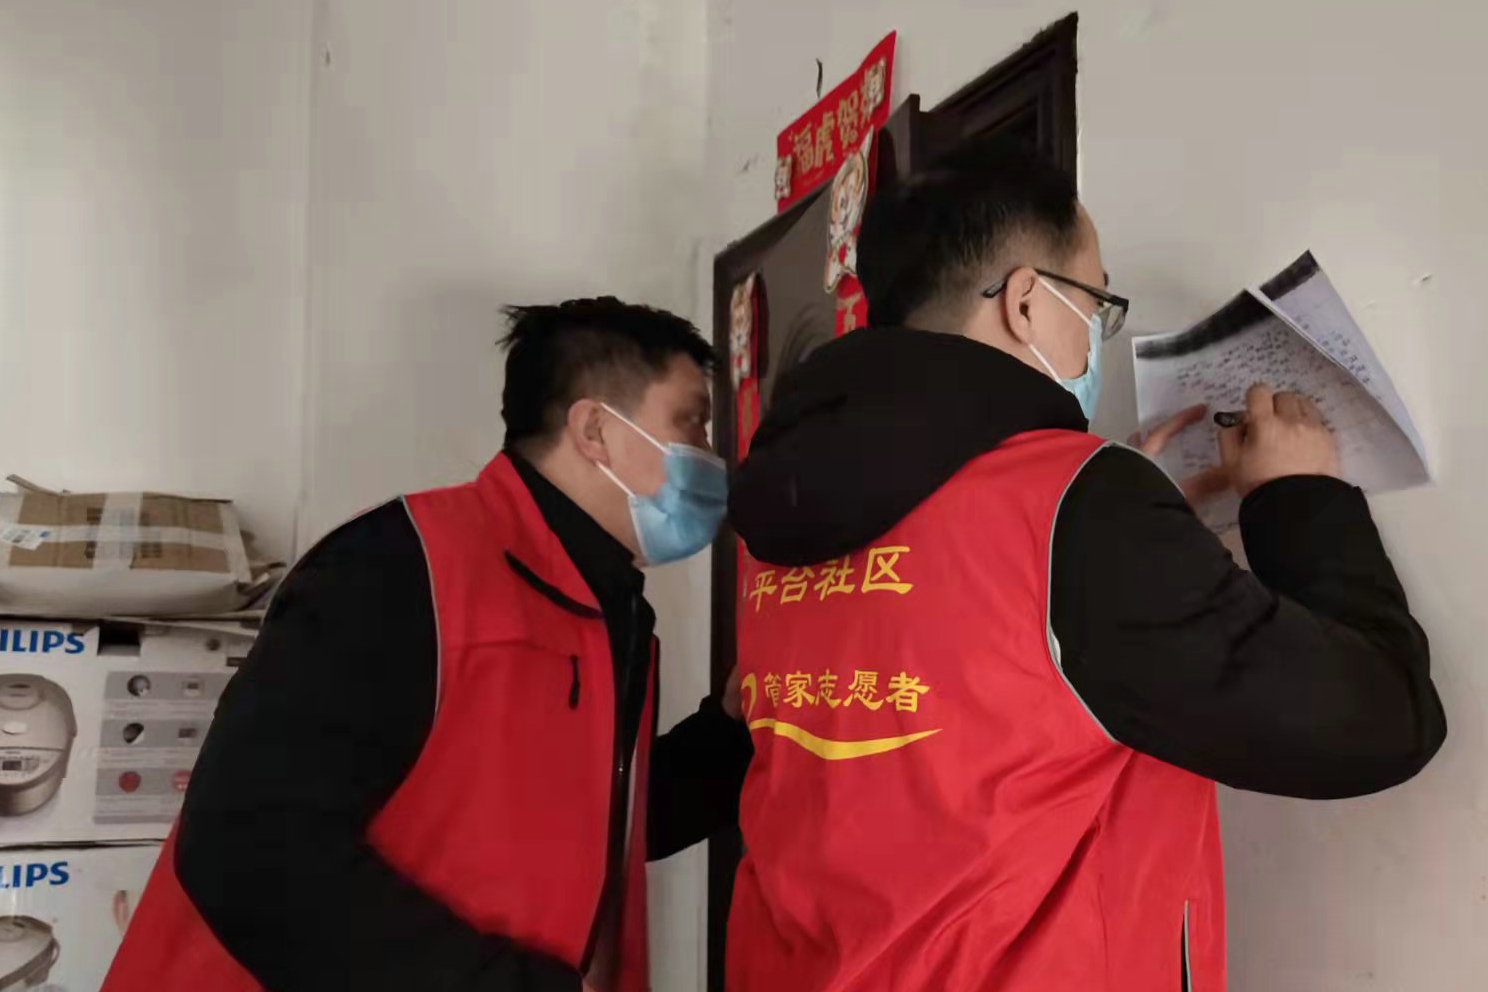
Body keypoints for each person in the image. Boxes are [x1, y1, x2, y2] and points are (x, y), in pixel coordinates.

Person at [724, 138, 1446, 992]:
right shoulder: (1074, 506)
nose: (1097, 336)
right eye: (1097, 302)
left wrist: (1122, 523)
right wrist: (1298, 498)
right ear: (1027, 302)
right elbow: (1381, 723)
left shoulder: (782, 510)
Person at [103, 297, 753, 992]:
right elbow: (248, 848)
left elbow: (598, 825)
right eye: (692, 423)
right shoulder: (400, 569)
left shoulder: (608, 608)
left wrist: (731, 733)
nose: (711, 458)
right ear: (595, 429)